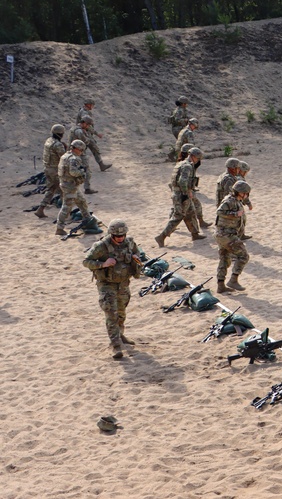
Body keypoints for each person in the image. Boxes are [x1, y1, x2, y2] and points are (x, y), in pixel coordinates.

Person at [83, 219, 146, 359]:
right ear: (111, 235)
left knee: (122, 312)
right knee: (111, 313)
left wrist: (136, 258)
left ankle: (120, 334)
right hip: (107, 284)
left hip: (123, 283)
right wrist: (103, 264)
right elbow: (86, 261)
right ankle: (115, 345)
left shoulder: (129, 242)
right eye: (117, 236)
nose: (120, 238)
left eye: (122, 235)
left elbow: (138, 254)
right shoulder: (101, 246)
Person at [155, 147, 206, 246]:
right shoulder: (187, 166)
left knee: (191, 212)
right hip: (182, 195)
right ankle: (161, 236)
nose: (198, 161)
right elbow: (182, 181)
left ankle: (195, 233)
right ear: (193, 156)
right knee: (178, 216)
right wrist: (187, 192)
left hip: (179, 193)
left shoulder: (181, 164)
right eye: (198, 158)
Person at [215, 180, 251, 292]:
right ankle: (233, 280)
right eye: (245, 193)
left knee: (225, 259)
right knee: (244, 256)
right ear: (239, 192)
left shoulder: (236, 200)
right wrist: (235, 214)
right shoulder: (230, 201)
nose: (246, 195)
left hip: (223, 235)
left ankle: (220, 285)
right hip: (227, 235)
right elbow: (219, 211)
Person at [56, 139, 97, 236]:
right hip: (70, 186)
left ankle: (87, 219)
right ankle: (59, 228)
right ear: (77, 149)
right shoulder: (74, 158)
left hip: (67, 184)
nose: (81, 152)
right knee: (66, 207)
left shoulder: (65, 156)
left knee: (81, 201)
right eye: (81, 150)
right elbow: (73, 172)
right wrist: (83, 172)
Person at [177, 143, 211, 229]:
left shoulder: (186, 163)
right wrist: (187, 191)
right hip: (182, 189)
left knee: (196, 204)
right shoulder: (185, 164)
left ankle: (201, 222)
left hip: (186, 188)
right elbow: (182, 180)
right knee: (178, 210)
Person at [35, 124, 66, 218]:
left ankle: (40, 209)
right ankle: (65, 213)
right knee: (63, 190)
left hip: (47, 169)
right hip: (55, 170)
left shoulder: (48, 141)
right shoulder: (58, 144)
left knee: (51, 189)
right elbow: (64, 157)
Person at [75, 100, 112, 173]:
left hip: (85, 133)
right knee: (89, 149)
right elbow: (86, 124)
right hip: (85, 134)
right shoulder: (84, 113)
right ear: (88, 105)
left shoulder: (84, 111)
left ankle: (100, 165)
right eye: (92, 105)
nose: (93, 106)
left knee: (85, 150)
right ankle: (100, 165)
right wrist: (96, 134)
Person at [70, 116, 99, 193]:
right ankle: (87, 188)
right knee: (87, 170)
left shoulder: (74, 128)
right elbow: (86, 141)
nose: (88, 126)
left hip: (73, 151)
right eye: (88, 125)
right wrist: (88, 137)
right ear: (85, 123)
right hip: (79, 152)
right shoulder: (80, 132)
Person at [235, 160, 253, 240]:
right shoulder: (240, 180)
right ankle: (240, 235)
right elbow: (243, 194)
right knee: (242, 218)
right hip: (236, 201)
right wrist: (249, 204)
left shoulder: (233, 176)